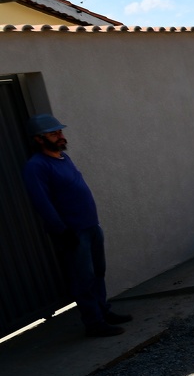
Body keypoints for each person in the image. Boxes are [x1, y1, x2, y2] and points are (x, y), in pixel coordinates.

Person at [21, 114, 132, 338]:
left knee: (98, 272)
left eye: (60, 132)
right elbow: (42, 202)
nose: (61, 136)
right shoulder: (36, 166)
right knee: (83, 278)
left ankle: (103, 311)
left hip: (90, 226)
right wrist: (62, 230)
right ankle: (94, 323)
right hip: (72, 232)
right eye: (54, 133)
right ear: (39, 139)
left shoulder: (63, 158)